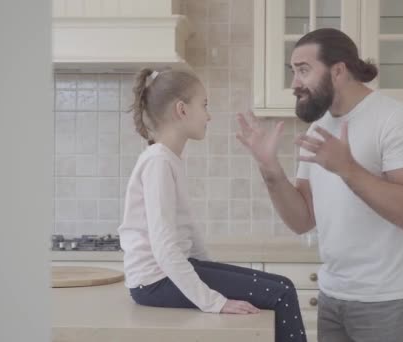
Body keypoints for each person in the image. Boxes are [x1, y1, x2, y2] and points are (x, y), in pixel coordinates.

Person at [237, 28, 403, 342]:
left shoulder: (397, 119)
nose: (294, 84)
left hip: (391, 298)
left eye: (303, 70)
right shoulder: (319, 128)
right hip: (333, 294)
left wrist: (347, 169)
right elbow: (302, 220)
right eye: (293, 72)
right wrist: (270, 169)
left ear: (339, 70)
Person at [118, 67, 308, 342]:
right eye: (204, 105)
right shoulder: (158, 162)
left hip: (166, 274)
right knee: (281, 293)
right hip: (154, 282)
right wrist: (214, 301)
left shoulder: (168, 159)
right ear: (181, 110)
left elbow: (188, 230)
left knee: (284, 287)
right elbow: (163, 246)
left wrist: (213, 271)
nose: (209, 116)